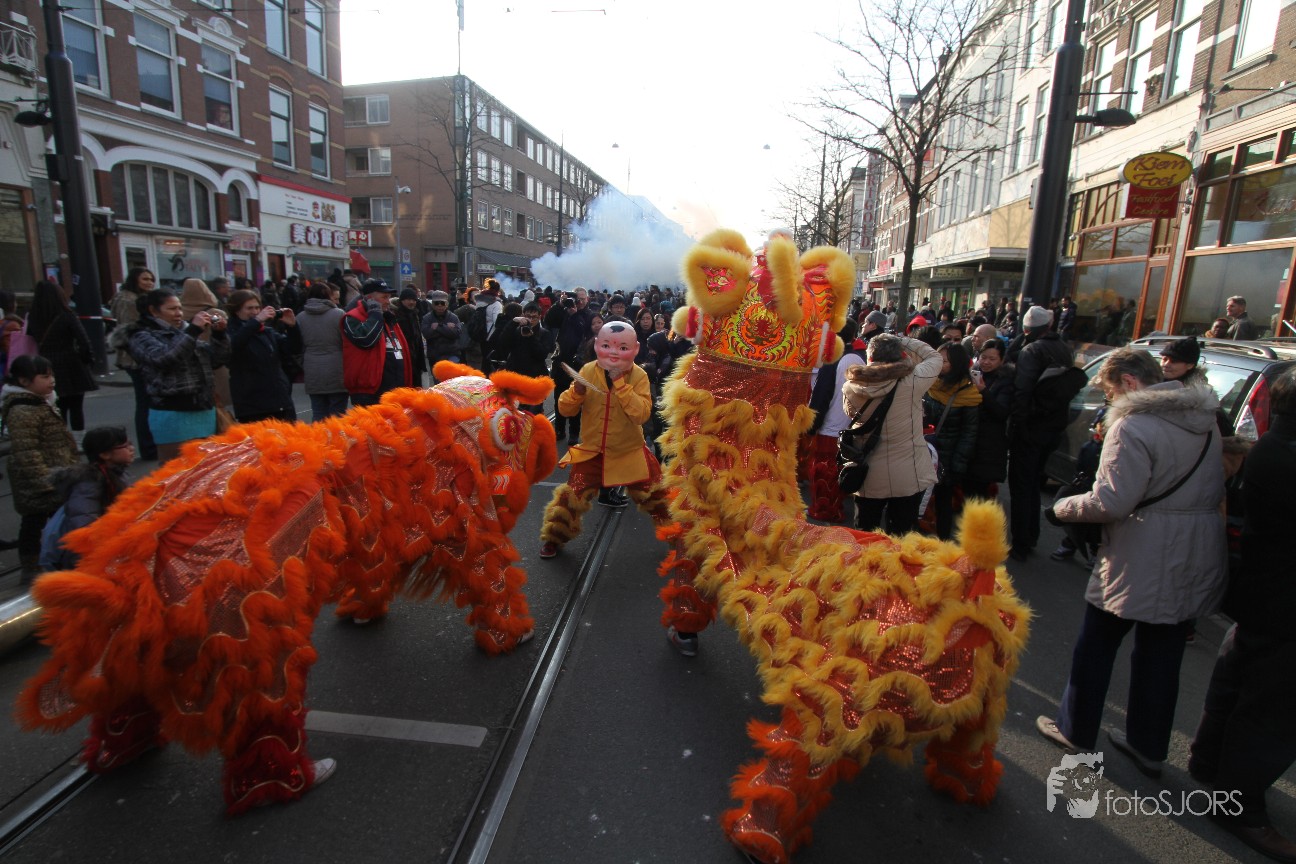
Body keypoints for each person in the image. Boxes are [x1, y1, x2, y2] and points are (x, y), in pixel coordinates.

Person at [1036, 348, 1225, 778]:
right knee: (1162, 653)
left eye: (1109, 392)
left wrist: (1063, 508)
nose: (1109, 401)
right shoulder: (1204, 418)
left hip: (1141, 548)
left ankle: (1075, 728)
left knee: (1096, 643)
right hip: (1193, 545)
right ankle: (1148, 744)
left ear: (1129, 383)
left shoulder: (1133, 425)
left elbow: (1112, 500)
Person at [1188, 368, 1296, 864]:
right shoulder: (1283, 455)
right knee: (1273, 708)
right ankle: (1240, 805)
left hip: (1265, 594)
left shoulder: (1273, 446)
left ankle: (1211, 763)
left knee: (1241, 679)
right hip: (1283, 602)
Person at [538, 321, 669, 559]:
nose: (614, 353)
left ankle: (681, 539)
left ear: (635, 349)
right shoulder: (587, 371)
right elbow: (565, 410)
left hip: (630, 452)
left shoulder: (638, 375)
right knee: (571, 498)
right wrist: (576, 392)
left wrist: (621, 385)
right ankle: (554, 538)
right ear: (598, 345)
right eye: (607, 346)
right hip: (593, 451)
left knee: (658, 497)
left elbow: (641, 414)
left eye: (622, 347)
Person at [840, 334, 942, 534]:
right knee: (902, 535)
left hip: (869, 472)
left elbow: (850, 413)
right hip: (909, 473)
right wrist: (902, 340)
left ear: (870, 357)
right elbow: (934, 357)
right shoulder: (913, 381)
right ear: (900, 355)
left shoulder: (851, 387)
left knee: (866, 534)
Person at [127, 289, 231, 463]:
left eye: (180, 308)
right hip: (172, 412)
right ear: (153, 311)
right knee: (177, 467)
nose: (178, 314)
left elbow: (216, 360)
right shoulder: (141, 335)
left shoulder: (184, 332)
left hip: (203, 408)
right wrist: (193, 330)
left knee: (208, 467)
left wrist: (220, 335)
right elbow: (165, 358)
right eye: (172, 309)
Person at [2, 354, 80, 579]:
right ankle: (31, 565)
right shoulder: (23, 409)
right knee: (34, 522)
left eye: (52, 375)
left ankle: (60, 558)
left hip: (55, 472)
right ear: (24, 381)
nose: (51, 380)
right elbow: (27, 450)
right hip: (38, 479)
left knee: (58, 518)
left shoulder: (42, 402)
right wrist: (44, 481)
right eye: (44, 377)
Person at [1006, 305, 1074, 559]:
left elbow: (1022, 391)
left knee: (1021, 486)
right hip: (1053, 426)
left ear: (1026, 329)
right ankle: (1031, 535)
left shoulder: (1032, 350)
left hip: (1030, 428)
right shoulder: (1063, 348)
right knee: (1034, 483)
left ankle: (1021, 542)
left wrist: (1017, 425)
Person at [43, 426, 135, 571]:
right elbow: (84, 525)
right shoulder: (89, 484)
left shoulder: (116, 474)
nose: (131, 448)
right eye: (125, 446)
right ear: (105, 454)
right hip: (85, 558)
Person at [921, 342, 981, 539]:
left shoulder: (968, 394)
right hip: (923, 452)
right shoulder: (928, 383)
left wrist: (957, 465)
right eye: (938, 358)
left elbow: (969, 434)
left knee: (943, 503)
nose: (940, 363)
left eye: (945, 361)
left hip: (947, 459)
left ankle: (943, 543)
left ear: (957, 364)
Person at [26, 279, 97, 431]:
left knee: (57, 406)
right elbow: (84, 341)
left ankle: (60, 437)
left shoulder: (33, 318)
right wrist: (87, 361)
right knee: (76, 407)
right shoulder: (66, 315)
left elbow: (30, 339)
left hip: (46, 364)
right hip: (71, 364)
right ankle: (78, 439)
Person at [224, 289, 302, 424]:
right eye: (249, 308)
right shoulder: (230, 331)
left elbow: (293, 349)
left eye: (257, 308)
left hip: (280, 399)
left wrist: (292, 327)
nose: (255, 312)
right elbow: (234, 346)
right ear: (236, 310)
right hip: (253, 403)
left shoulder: (266, 331)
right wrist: (256, 321)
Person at [109, 268, 159, 458]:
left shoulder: (138, 297)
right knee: (145, 401)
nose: (149, 282)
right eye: (145, 279)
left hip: (140, 354)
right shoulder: (128, 300)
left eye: (151, 279)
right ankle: (148, 447)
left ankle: (150, 445)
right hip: (136, 358)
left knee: (148, 401)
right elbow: (131, 328)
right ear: (134, 280)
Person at [342, 278, 411, 407]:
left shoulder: (388, 318)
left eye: (389, 297)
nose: (388, 301)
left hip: (394, 390)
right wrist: (375, 314)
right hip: (370, 393)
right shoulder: (353, 318)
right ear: (369, 299)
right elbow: (366, 340)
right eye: (384, 297)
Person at [544, 287, 596, 441]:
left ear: (587, 299)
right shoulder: (564, 311)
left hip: (580, 363)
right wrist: (559, 304)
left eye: (582, 299)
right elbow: (549, 320)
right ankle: (559, 429)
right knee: (559, 396)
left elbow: (585, 332)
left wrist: (575, 315)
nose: (579, 302)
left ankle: (574, 432)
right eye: (577, 299)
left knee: (577, 398)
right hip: (562, 360)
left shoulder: (589, 315)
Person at [964, 339, 1013, 501]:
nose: (986, 362)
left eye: (992, 359)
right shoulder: (972, 374)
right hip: (970, 441)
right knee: (967, 490)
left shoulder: (1006, 380)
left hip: (989, 446)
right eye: (983, 357)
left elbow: (1001, 412)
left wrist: (983, 391)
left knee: (981, 493)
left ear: (1001, 360)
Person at [296, 282, 349, 422]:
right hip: (337, 368)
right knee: (338, 415)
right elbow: (346, 341)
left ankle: (319, 436)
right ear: (329, 296)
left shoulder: (300, 317)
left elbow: (298, 345)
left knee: (318, 412)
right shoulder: (338, 314)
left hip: (312, 368)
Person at [179, 277, 231, 413]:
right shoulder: (216, 313)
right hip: (213, 355)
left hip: (188, 358)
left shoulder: (179, 313)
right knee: (218, 400)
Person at [496, 302, 555, 412]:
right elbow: (502, 344)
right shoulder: (516, 330)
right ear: (523, 315)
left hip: (534, 379)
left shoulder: (545, 333)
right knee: (512, 412)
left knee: (532, 414)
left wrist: (531, 337)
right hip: (515, 376)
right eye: (528, 316)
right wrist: (513, 323)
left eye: (534, 317)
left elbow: (542, 354)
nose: (531, 320)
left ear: (539, 317)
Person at [393, 287, 428, 387]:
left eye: (414, 300)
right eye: (408, 299)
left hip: (416, 357)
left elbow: (418, 339)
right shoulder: (396, 316)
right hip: (403, 358)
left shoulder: (415, 315)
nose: (411, 302)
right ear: (402, 300)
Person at [422, 290, 463, 377]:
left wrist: (438, 327)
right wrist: (447, 328)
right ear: (433, 304)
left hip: (452, 354)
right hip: (434, 356)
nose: (440, 305)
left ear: (447, 304)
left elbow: (456, 334)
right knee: (438, 381)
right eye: (437, 303)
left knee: (452, 379)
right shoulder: (427, 318)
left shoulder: (453, 317)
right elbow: (426, 334)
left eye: (442, 303)